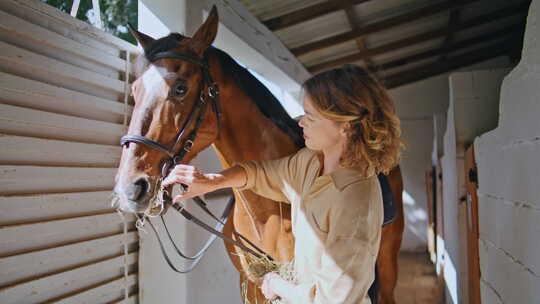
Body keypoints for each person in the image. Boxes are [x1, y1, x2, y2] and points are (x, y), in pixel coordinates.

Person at [162, 64, 403, 304]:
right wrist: (211, 181)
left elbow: (332, 300)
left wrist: (277, 284)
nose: (300, 123)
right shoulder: (311, 162)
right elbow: (262, 173)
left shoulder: (354, 200)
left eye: (310, 116)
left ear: (345, 126)